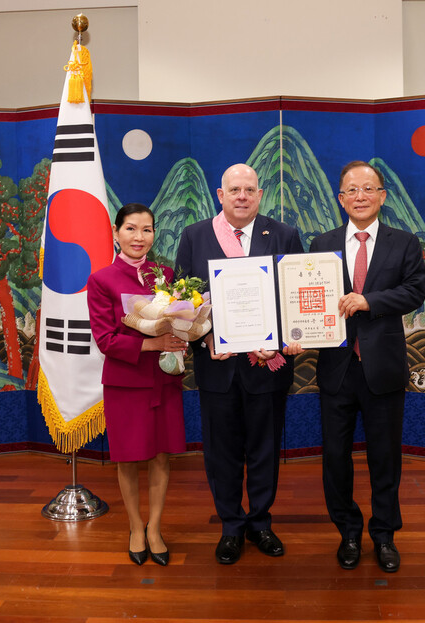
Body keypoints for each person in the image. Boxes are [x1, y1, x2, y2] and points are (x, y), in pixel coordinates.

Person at [285, 161, 425, 573]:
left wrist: (370, 301)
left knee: (386, 458)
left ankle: (384, 535)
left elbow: (415, 291)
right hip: (336, 367)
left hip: (382, 367)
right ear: (340, 199)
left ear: (383, 196)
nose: (360, 196)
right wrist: (296, 333)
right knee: (335, 457)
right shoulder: (321, 243)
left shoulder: (404, 242)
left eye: (368, 189)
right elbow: (306, 298)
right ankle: (347, 530)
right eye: (351, 190)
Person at [175, 163, 303, 564]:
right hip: (218, 366)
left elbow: (295, 295)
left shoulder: (283, 234)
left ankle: (261, 523)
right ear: (220, 194)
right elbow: (183, 302)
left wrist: (281, 340)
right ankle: (231, 525)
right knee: (221, 452)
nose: (242, 196)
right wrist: (207, 335)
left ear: (260, 194)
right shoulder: (195, 236)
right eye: (235, 190)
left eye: (250, 189)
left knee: (265, 450)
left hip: (266, 367)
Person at [87, 202, 188, 566]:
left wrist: (184, 333)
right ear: (116, 233)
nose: (139, 237)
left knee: (162, 455)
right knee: (128, 458)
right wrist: (153, 342)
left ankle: (156, 527)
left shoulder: (166, 274)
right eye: (131, 229)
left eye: (147, 229)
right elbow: (106, 340)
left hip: (163, 378)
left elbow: (179, 320)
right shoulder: (101, 280)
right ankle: (134, 526)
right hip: (126, 382)